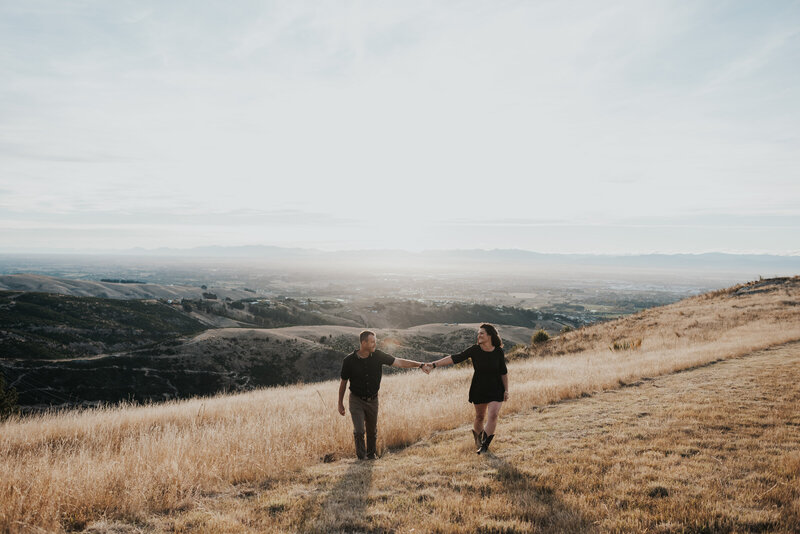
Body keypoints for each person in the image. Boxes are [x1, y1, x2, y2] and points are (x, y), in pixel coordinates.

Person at [338, 330, 428, 459]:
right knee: (359, 431)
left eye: (375, 341)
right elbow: (343, 383)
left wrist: (420, 365)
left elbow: (400, 362)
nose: (375, 344)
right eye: (372, 342)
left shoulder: (378, 356)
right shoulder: (349, 361)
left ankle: (371, 456)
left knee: (371, 430)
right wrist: (340, 403)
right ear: (363, 343)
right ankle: (361, 458)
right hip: (356, 400)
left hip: (373, 400)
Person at [425, 323, 508, 454]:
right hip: (479, 387)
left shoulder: (498, 351)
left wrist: (506, 390)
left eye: (482, 333)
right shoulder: (474, 350)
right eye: (478, 333)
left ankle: (485, 446)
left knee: (493, 415)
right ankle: (478, 441)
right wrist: (434, 364)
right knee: (480, 417)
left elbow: (503, 372)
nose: (478, 335)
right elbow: (455, 358)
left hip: (496, 388)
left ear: (490, 335)